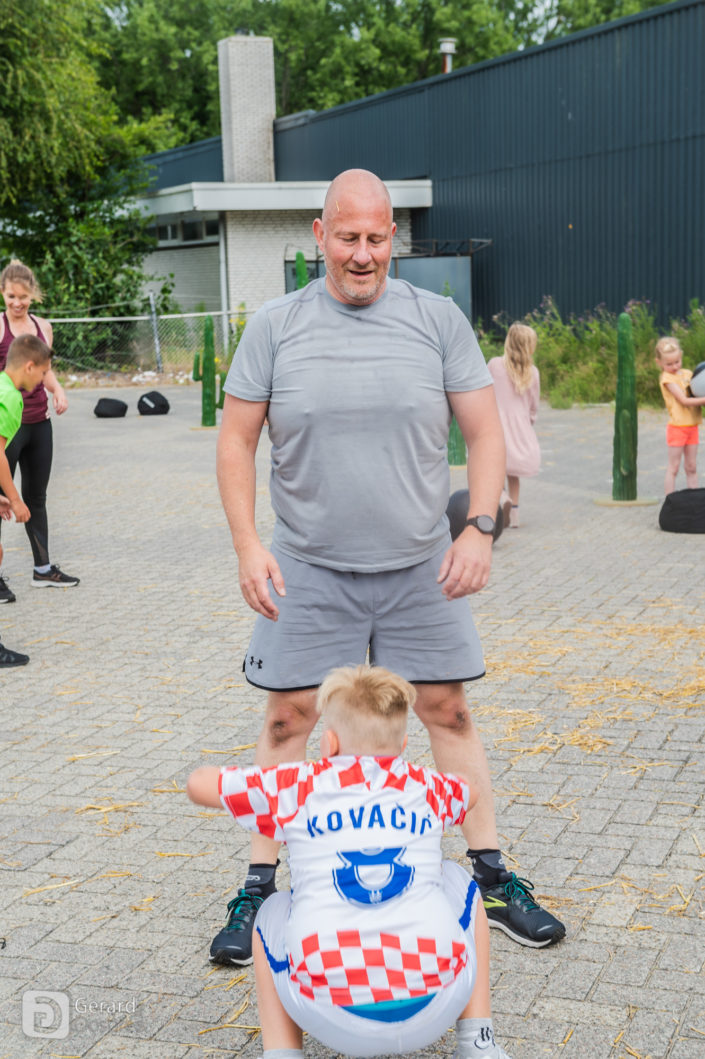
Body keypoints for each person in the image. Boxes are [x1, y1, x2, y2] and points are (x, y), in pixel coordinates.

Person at [214, 168, 565, 966]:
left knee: (448, 711)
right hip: (307, 565)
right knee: (286, 720)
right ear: (319, 235)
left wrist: (478, 528)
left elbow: (484, 433)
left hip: (417, 566)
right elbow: (235, 439)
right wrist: (246, 544)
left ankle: (490, 875)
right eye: (348, 237)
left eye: (377, 238)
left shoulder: (435, 320)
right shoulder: (275, 325)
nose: (363, 254)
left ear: (392, 239)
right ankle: (259, 886)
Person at [188, 665, 512, 1059]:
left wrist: (267, 784)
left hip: (331, 1016)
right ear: (403, 744)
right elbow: (470, 791)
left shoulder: (296, 786)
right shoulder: (427, 787)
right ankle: (479, 1043)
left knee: (272, 907)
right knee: (459, 880)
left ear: (329, 743)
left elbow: (198, 784)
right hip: (437, 1004)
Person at [0, 259, 79, 605]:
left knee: (37, 497)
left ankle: (43, 569)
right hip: (7, 423)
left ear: (33, 295)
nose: (17, 303)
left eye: (23, 296)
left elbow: (45, 370)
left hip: (38, 423)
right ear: (3, 293)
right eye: (11, 296)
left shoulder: (42, 327)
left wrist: (57, 390)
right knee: (1, 499)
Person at [0, 334, 53, 664]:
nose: (43, 380)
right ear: (29, 366)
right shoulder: (10, 396)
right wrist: (16, 499)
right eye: (43, 373)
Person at [487, 324, 540, 528]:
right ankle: (514, 515)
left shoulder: (495, 365)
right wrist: (528, 422)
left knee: (496, 469)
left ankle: (501, 500)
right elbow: (534, 406)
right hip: (520, 428)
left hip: (496, 425)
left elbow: (484, 389)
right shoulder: (533, 373)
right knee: (513, 473)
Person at [655, 336, 705, 494]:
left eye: (677, 361)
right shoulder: (667, 378)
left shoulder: (688, 374)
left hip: (692, 427)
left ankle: (694, 500)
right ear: (659, 362)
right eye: (669, 364)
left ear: (681, 356)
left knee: (691, 466)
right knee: (674, 467)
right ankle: (669, 500)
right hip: (677, 428)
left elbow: (697, 393)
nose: (674, 366)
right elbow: (684, 400)